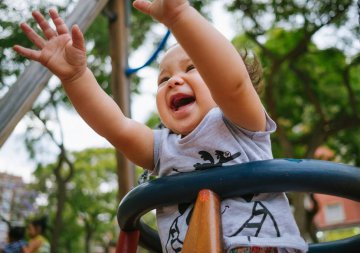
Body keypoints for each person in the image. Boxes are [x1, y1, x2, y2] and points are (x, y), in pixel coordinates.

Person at [13, 1, 308, 252]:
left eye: (193, 68)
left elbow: (232, 84)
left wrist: (179, 15)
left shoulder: (243, 125)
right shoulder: (162, 147)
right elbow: (115, 127)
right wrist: (76, 77)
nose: (174, 80)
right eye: (163, 79)